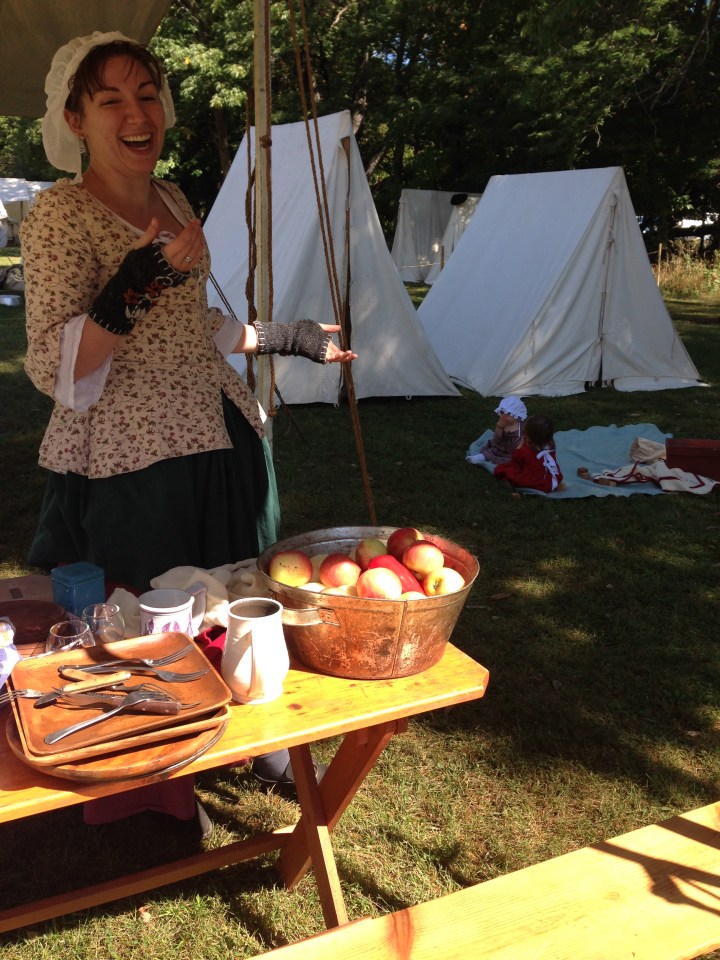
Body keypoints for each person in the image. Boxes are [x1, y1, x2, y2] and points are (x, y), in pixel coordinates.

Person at [21, 31, 356, 826]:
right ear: (76, 119)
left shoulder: (171, 196)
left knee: (238, 591)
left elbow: (192, 322)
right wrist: (139, 277)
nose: (139, 115)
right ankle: (165, 771)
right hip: (132, 458)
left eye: (148, 96)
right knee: (151, 619)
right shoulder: (57, 217)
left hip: (218, 432)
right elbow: (56, 368)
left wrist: (288, 338)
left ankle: (255, 731)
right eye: (113, 101)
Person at [493, 414, 564, 493]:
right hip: (554, 478)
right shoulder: (551, 446)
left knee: (503, 469)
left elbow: (515, 462)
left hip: (537, 482)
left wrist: (519, 446)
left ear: (528, 435)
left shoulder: (525, 450)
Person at [466, 397, 527, 465]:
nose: (504, 416)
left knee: (511, 460)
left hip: (511, 452)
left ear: (517, 416)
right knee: (490, 451)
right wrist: (499, 428)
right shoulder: (502, 424)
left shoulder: (521, 428)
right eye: (502, 412)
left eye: (508, 414)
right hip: (498, 447)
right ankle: (479, 458)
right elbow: (497, 439)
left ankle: (495, 462)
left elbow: (521, 444)